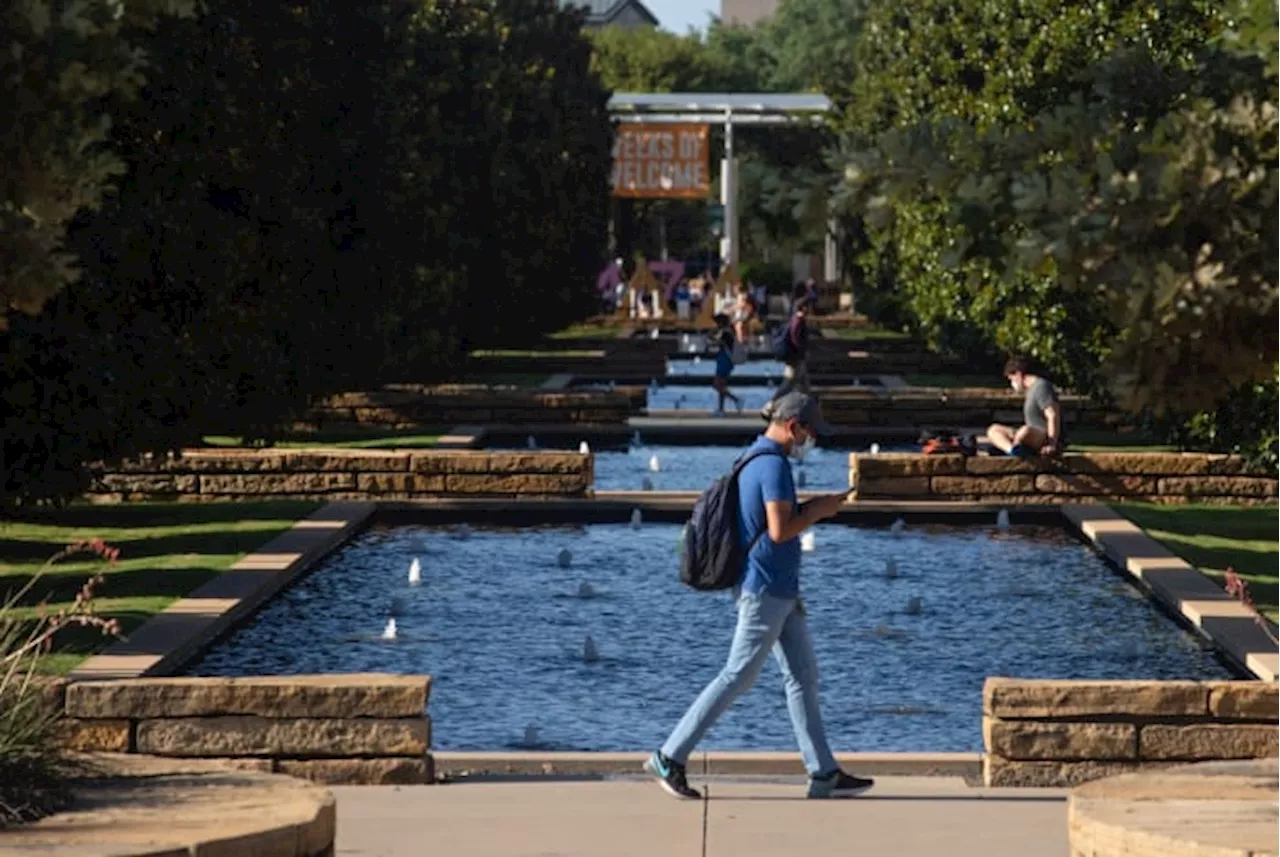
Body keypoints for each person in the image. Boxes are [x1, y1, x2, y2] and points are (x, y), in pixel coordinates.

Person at [644, 392, 874, 800]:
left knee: (803, 677)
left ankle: (823, 772)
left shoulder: (755, 457)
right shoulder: (772, 464)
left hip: (780, 589)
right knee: (738, 675)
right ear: (793, 426)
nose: (812, 440)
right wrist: (820, 508)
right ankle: (670, 755)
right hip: (765, 588)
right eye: (810, 431)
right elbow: (780, 529)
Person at [987, 355, 1064, 458]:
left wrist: (1052, 444)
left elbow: (1052, 415)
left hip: (1042, 436)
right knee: (993, 430)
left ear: (1018, 374)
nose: (1012, 383)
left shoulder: (1041, 387)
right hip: (1027, 438)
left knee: (1024, 431)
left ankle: (1016, 448)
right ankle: (1013, 450)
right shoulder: (1029, 390)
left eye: (1011, 379)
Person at [762, 298, 812, 420]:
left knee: (803, 384)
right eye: (808, 306)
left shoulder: (795, 319)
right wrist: (801, 350)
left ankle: (809, 410)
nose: (810, 309)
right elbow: (795, 337)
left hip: (796, 357)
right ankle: (770, 406)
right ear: (803, 307)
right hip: (795, 358)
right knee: (788, 384)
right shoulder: (798, 320)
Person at [710, 314, 743, 415]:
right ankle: (721, 409)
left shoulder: (726, 332)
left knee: (717, 384)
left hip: (725, 360)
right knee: (721, 385)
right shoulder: (728, 331)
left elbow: (718, 342)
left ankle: (736, 400)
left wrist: (711, 338)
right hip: (725, 360)